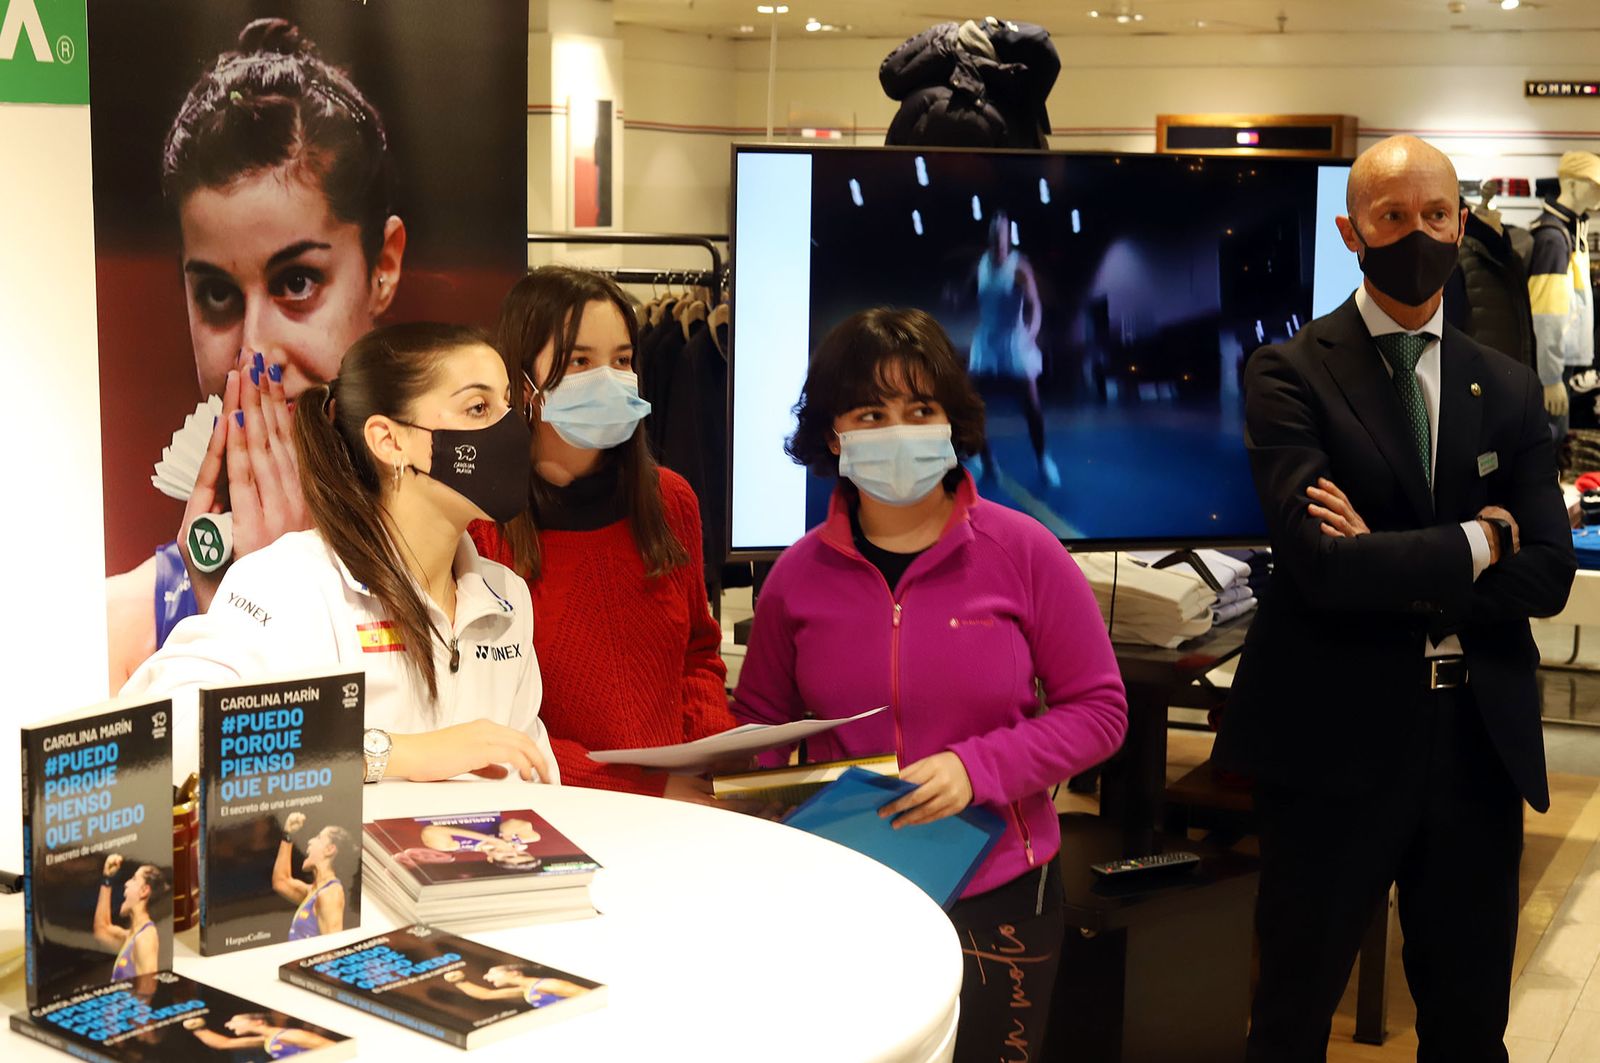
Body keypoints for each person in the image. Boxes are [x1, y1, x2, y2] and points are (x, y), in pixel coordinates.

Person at [1213, 135, 1576, 1061]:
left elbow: (1549, 573)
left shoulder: (1507, 386)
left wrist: (1391, 559)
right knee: (1292, 1014)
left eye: (1436, 215)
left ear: (1461, 223)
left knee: (1467, 1025)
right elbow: (1319, 567)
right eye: (1392, 215)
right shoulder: (1288, 374)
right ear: (1351, 230)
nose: (1417, 233)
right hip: (1332, 742)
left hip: (1476, 747)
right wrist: (1478, 542)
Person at [731, 307, 1128, 1063]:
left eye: (920, 409)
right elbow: (760, 724)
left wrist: (978, 768)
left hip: (1001, 885)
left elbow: (1100, 710)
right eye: (870, 412)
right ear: (832, 434)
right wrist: (753, 800)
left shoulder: (1026, 552)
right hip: (847, 883)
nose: (899, 430)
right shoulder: (795, 578)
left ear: (953, 421)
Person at [120, 323, 556, 789]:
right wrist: (393, 752)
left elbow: (537, 779)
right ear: (389, 441)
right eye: (478, 408)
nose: (509, 428)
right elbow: (162, 738)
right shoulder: (291, 583)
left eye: (508, 404)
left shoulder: (506, 598)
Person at [105, 17, 407, 688]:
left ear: (383, 267)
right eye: (216, 294)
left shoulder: (446, 584)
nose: (253, 351)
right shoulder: (116, 626)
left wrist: (281, 590)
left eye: (297, 283)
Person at [471, 267, 733, 801]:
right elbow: (488, 721)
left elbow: (698, 656)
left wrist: (709, 761)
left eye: (621, 360)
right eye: (579, 362)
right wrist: (648, 788)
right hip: (554, 811)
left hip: (684, 816)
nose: (609, 378)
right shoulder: (480, 528)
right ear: (522, 382)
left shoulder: (670, 500)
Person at [967, 211, 1058, 487]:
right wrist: (953, 297)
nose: (999, 239)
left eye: (1003, 233)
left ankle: (1043, 459)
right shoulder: (981, 266)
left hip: (1013, 339)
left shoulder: (1019, 268)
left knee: (1031, 403)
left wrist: (1031, 331)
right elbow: (970, 292)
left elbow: (1034, 305)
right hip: (986, 340)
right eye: (995, 233)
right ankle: (986, 461)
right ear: (990, 237)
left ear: (1008, 237)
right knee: (970, 404)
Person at [273, 812, 350, 940]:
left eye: (319, 837)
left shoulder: (331, 893)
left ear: (329, 850)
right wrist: (288, 835)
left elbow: (333, 949)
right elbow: (280, 881)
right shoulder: (313, 892)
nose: (310, 841)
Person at [93, 853, 167, 981]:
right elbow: (101, 930)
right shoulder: (131, 936)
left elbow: (147, 993)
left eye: (133, 879)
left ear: (144, 891)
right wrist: (107, 879)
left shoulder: (145, 938)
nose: (126, 883)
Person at [184, 1014, 336, 1058]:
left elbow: (334, 1048)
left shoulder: (292, 1034)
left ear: (257, 1022)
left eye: (235, 1022)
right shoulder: (269, 1039)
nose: (229, 1025)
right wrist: (198, 1029)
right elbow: (224, 1043)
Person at [443, 965, 590, 1007]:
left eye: (491, 973)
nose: (486, 977)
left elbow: (589, 996)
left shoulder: (548, 984)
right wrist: (459, 982)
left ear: (514, 973)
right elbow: (487, 995)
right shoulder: (526, 989)